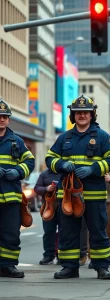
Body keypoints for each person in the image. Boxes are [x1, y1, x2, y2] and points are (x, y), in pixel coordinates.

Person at [45, 95, 110, 280]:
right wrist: (61, 164)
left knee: (98, 231)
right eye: (78, 113)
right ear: (73, 115)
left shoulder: (102, 137)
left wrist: (93, 169)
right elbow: (49, 158)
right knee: (68, 232)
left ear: (92, 115)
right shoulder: (64, 137)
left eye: (86, 112)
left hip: (93, 194)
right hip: (68, 195)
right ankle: (69, 267)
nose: (82, 115)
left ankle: (102, 267)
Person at [0, 98, 35, 278]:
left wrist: (18, 172)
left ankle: (8, 265)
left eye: (5, 116)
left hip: (11, 197)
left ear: (9, 119)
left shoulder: (17, 141)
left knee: (11, 233)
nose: (2, 119)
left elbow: (30, 161)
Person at [34, 168, 61, 265]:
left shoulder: (66, 172)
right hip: (48, 207)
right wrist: (46, 189)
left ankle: (61, 255)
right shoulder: (45, 174)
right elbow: (37, 188)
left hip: (65, 206)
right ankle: (48, 255)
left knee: (64, 232)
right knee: (49, 232)